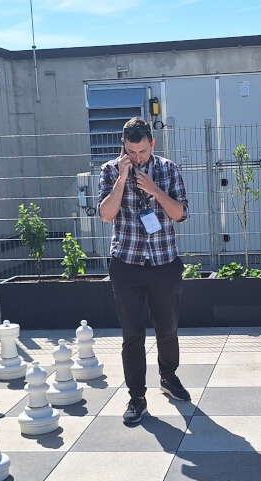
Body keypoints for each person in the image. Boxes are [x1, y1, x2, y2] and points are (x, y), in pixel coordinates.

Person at [97, 117, 191, 424]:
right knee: (132, 334)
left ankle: (168, 377)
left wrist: (155, 190)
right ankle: (136, 397)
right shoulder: (111, 170)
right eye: (131, 151)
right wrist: (122, 179)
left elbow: (181, 215)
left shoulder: (168, 169)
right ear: (122, 147)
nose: (137, 157)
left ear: (152, 143)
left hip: (164, 261)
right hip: (127, 262)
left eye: (141, 151)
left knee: (168, 328)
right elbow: (106, 216)